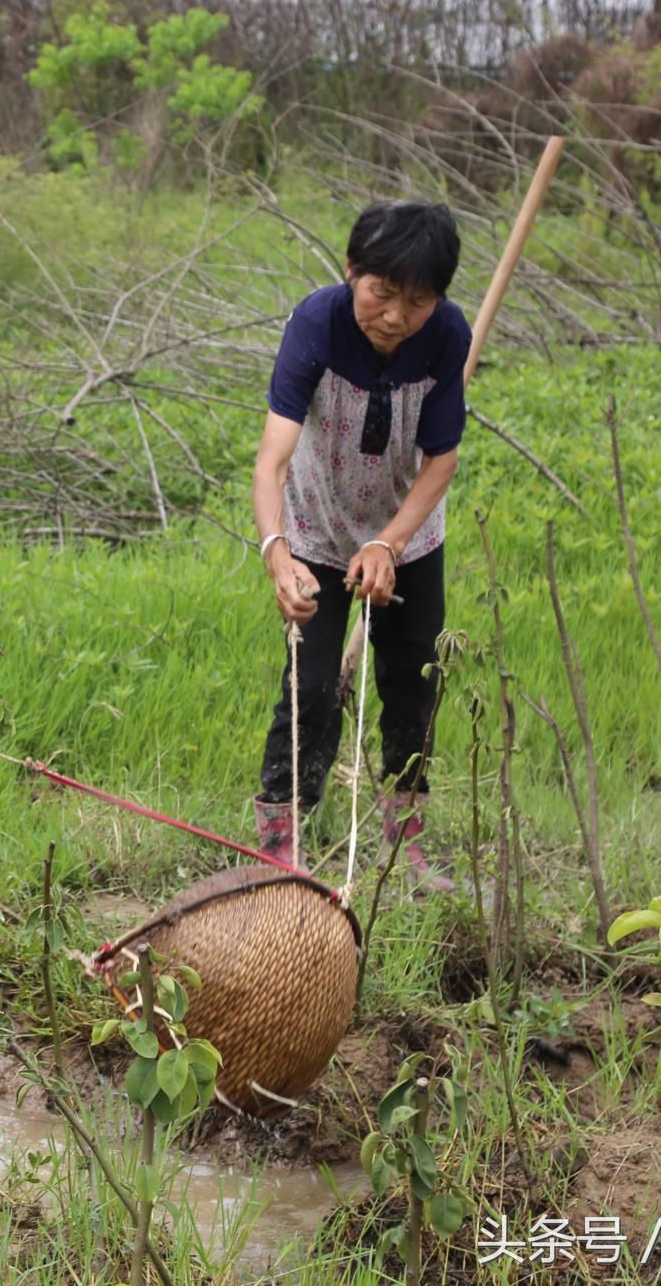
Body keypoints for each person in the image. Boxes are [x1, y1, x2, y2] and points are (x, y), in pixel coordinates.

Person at [249, 201, 467, 892]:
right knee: (311, 687)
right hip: (312, 531)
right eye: (381, 293)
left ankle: (407, 848)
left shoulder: (446, 337)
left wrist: (389, 543)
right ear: (351, 273)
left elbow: (441, 461)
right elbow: (272, 461)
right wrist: (277, 551)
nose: (396, 317)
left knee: (412, 687)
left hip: (407, 538)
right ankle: (281, 844)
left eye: (418, 300)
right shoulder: (317, 321)